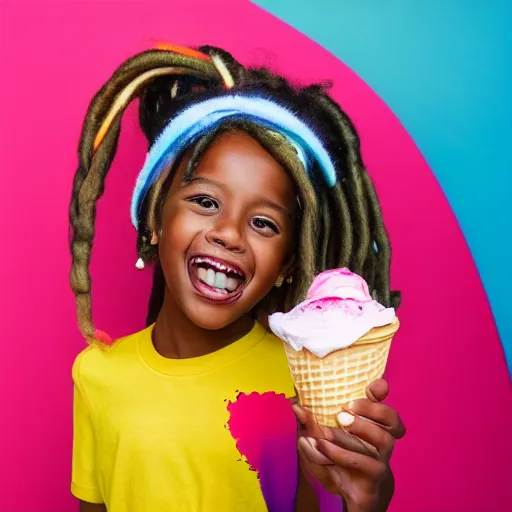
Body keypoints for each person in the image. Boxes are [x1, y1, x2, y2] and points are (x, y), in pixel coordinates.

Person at [69, 44, 406, 512]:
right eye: (206, 201)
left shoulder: (302, 381)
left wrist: (365, 499)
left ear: (289, 264)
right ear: (154, 218)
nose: (229, 233)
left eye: (264, 223)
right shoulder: (97, 373)